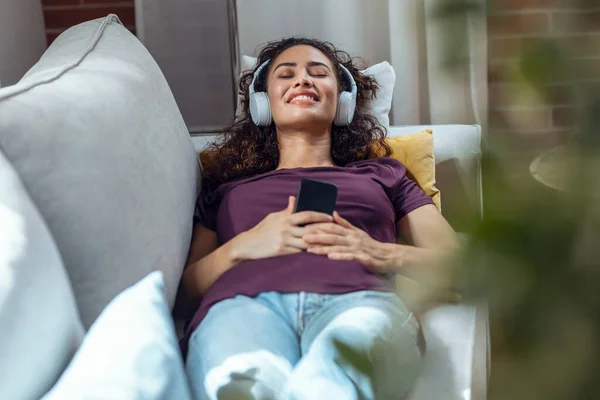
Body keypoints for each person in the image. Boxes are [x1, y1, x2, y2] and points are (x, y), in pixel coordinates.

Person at [176, 37, 461, 400]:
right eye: (286, 74)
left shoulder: (385, 174)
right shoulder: (227, 189)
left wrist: (381, 253)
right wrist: (240, 248)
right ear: (263, 103)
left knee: (329, 386)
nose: (303, 81)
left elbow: (462, 266)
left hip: (360, 303)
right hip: (242, 306)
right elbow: (183, 297)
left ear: (343, 100)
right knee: (248, 383)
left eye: (318, 73)